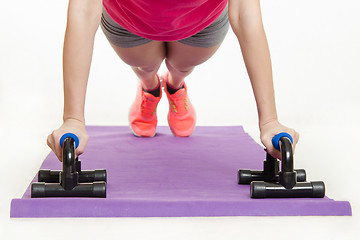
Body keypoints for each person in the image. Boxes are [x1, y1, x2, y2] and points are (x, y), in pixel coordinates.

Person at [47, 0, 299, 161]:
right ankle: (150, 88)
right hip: (128, 17)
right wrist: (73, 119)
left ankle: (174, 85)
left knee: (182, 65)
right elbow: (84, 9)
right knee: (146, 65)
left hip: (201, 19)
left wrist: (269, 121)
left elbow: (246, 13)